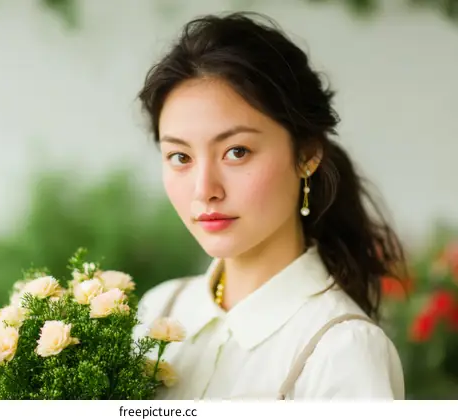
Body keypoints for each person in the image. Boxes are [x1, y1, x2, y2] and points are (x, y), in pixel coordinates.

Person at [135, 11, 407, 400]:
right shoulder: (158, 311)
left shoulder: (341, 350)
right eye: (180, 157)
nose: (204, 190)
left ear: (307, 154)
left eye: (236, 151)